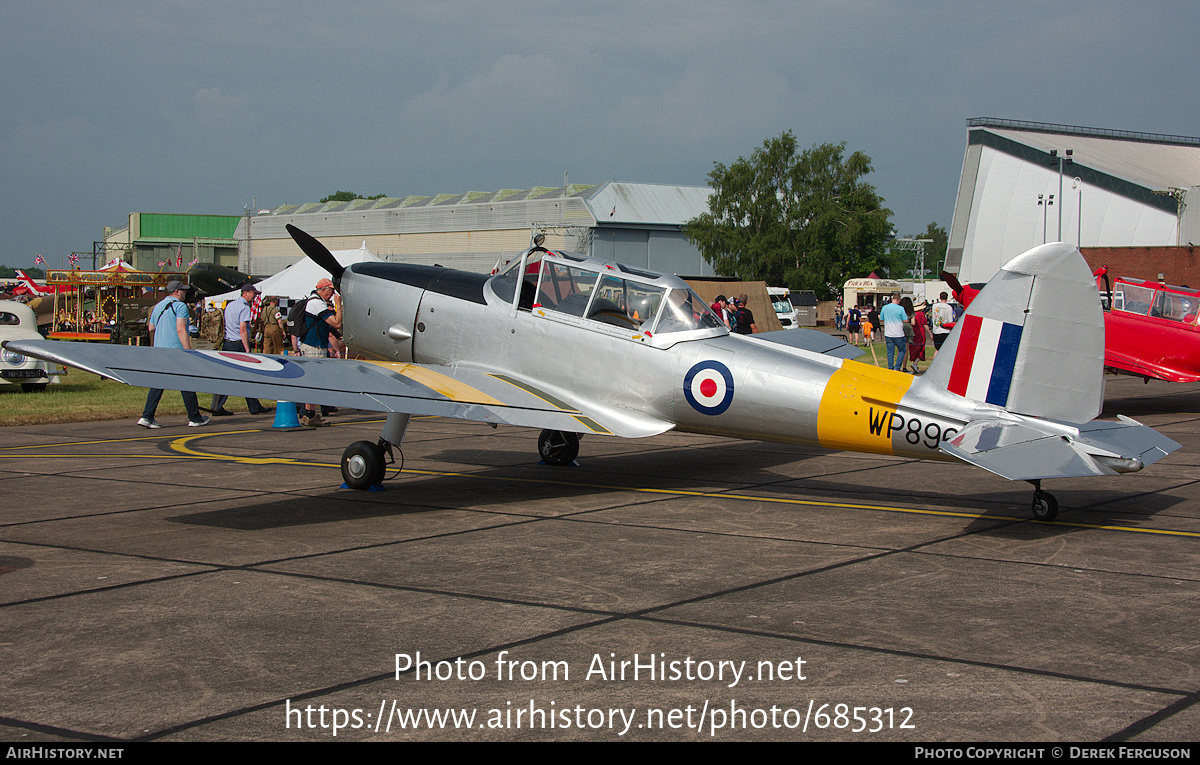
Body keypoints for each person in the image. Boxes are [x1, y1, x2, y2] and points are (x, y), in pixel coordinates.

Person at [137, 281, 209, 429]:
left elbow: (151, 328)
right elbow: (181, 330)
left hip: (160, 349)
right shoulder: (180, 306)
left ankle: (147, 416)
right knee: (186, 382)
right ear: (176, 291)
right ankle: (194, 417)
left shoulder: (158, 306)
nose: (185, 293)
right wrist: (188, 350)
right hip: (175, 350)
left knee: (158, 383)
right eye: (183, 291)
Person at [209, 283, 272, 416]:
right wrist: (247, 349)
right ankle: (251, 406)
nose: (255, 297)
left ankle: (219, 406)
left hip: (228, 343)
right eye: (254, 294)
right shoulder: (244, 308)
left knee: (229, 376)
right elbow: (242, 329)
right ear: (246, 293)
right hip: (238, 344)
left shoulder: (230, 305)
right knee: (245, 376)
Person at [297, 278, 343, 426]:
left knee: (312, 380)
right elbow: (336, 323)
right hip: (314, 347)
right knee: (314, 381)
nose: (332, 295)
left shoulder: (314, 302)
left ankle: (309, 414)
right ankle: (309, 415)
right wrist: (338, 305)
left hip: (313, 345)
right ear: (324, 289)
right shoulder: (317, 303)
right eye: (331, 291)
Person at [880, 294, 910, 371]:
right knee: (902, 350)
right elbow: (905, 320)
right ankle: (897, 367)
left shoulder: (885, 307)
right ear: (898, 300)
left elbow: (882, 318)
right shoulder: (900, 308)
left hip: (888, 333)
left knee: (890, 353)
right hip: (899, 333)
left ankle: (890, 367)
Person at [931, 292, 955, 358]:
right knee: (944, 349)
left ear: (939, 297)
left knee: (937, 349)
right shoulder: (949, 307)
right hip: (945, 331)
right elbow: (950, 321)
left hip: (936, 330)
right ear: (947, 298)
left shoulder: (934, 306)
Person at [907, 300, 928, 374]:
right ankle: (915, 363)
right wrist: (930, 333)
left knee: (913, 347)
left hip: (912, 331)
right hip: (920, 331)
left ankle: (914, 363)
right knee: (921, 347)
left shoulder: (912, 314)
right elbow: (924, 324)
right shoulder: (921, 314)